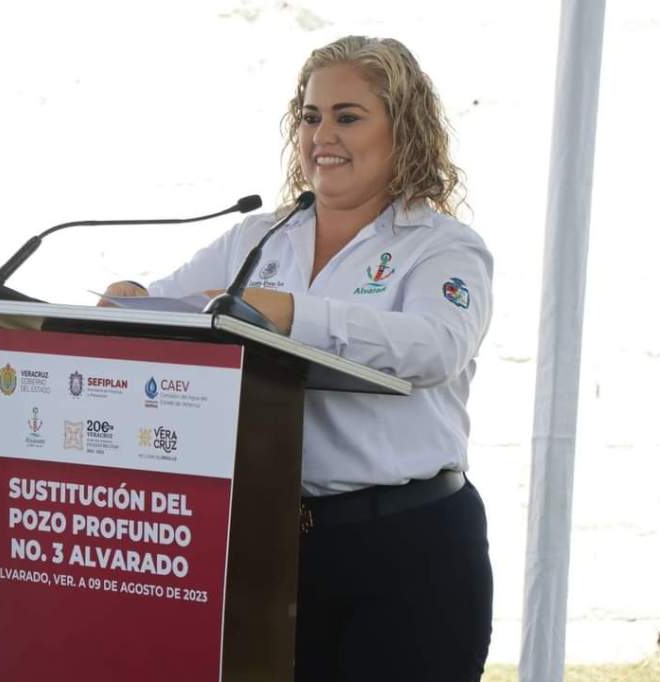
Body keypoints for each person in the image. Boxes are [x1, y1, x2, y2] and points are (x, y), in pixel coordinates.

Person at [105, 35, 493, 681]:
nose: (322, 136)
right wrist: (128, 300)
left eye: (348, 116)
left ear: (404, 128)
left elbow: (436, 347)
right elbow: (167, 306)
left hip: (408, 542)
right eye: (311, 116)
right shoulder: (261, 234)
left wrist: (291, 313)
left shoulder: (443, 246)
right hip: (271, 542)